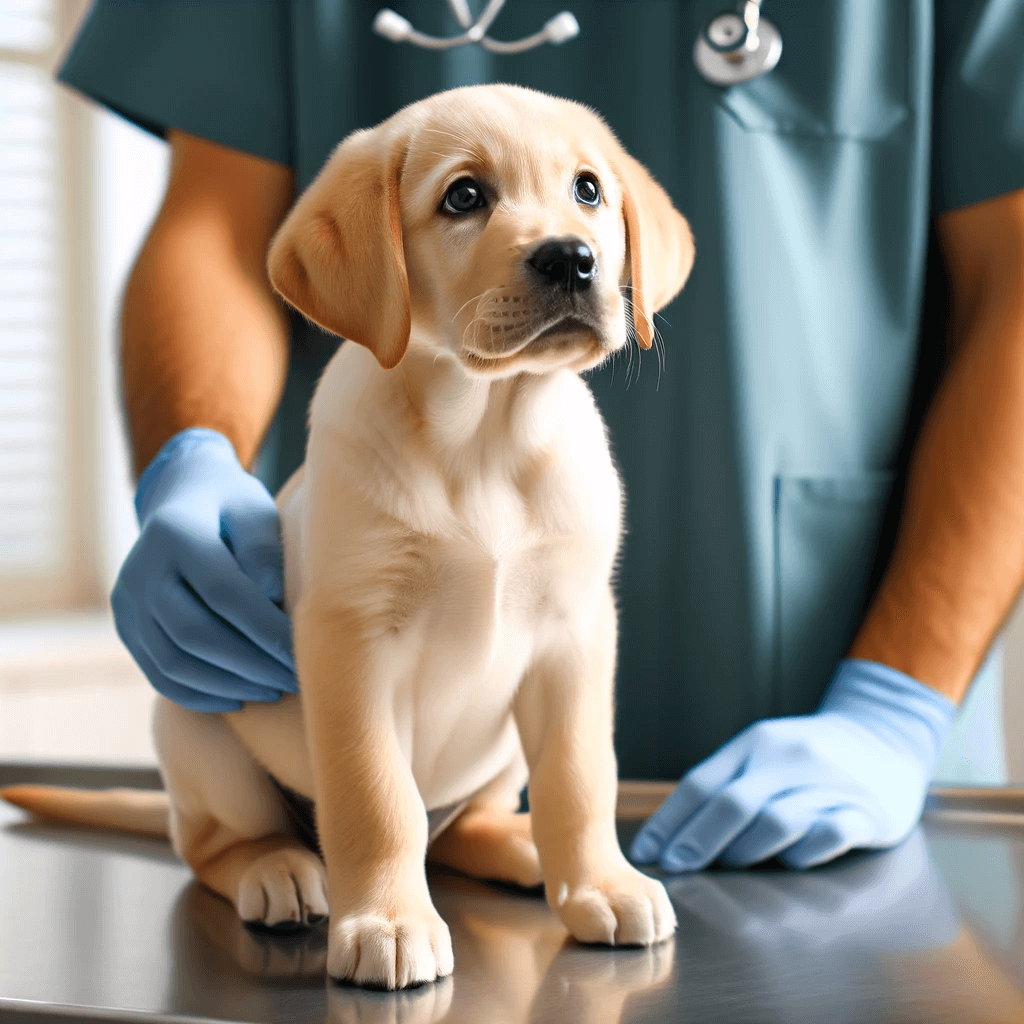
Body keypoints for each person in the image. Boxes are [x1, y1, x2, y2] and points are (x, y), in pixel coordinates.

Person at [58, 0, 1024, 873]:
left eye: (587, 202)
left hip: (860, 690)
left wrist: (897, 703)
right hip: (337, 703)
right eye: (466, 198)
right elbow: (216, 227)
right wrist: (191, 457)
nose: (566, 245)